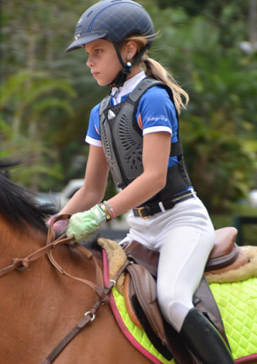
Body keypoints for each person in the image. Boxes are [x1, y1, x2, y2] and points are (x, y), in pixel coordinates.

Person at [54, 1, 235, 363]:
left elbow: (153, 178)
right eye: (88, 54)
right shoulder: (99, 113)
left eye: (98, 52)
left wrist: (101, 214)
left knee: (172, 298)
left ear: (130, 50)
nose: (90, 62)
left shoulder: (153, 98)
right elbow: (91, 189)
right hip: (141, 228)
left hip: (180, 221)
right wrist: (56, 220)